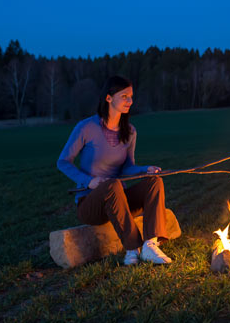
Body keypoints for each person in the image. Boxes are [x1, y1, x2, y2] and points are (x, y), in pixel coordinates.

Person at [57, 76, 172, 265]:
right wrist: (89, 181)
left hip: (120, 202)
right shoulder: (86, 127)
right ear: (109, 98)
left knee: (154, 182)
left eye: (131, 96)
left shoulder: (130, 132)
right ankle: (131, 249)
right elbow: (63, 162)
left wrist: (146, 169)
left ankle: (151, 245)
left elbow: (126, 168)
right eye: (124, 96)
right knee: (112, 185)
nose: (130, 101)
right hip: (90, 204)